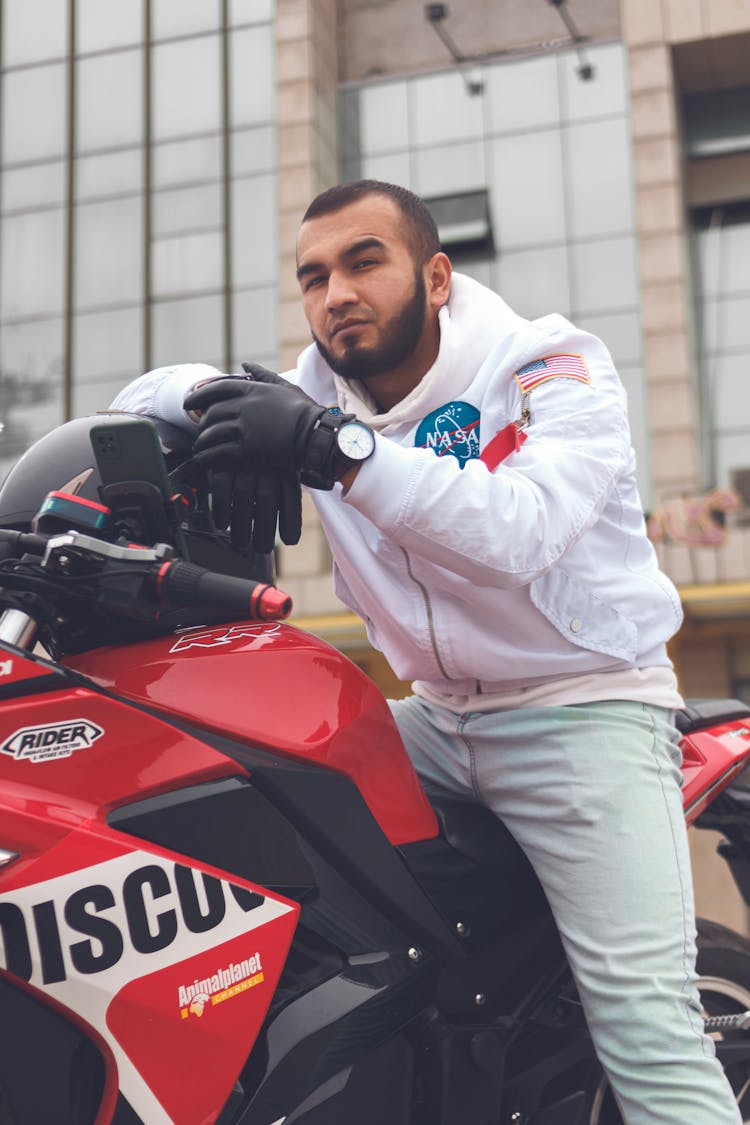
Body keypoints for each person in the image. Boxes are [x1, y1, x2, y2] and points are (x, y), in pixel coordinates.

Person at [112, 179, 741, 1123]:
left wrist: (340, 453)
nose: (337, 294)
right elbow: (146, 392)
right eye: (314, 275)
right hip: (437, 721)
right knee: (225, 794)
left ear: (436, 276)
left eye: (365, 261)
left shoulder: (549, 366)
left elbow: (523, 530)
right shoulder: (314, 395)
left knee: (650, 1037)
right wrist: (208, 400)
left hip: (584, 711)